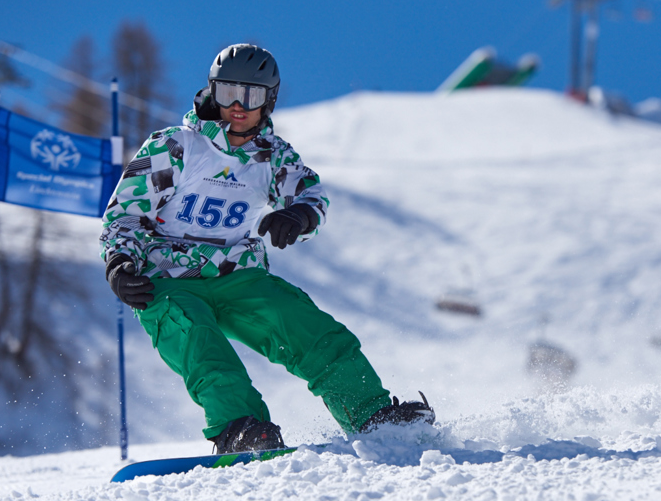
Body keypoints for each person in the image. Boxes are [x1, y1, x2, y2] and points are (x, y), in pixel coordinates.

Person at [99, 44, 434, 453]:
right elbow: (126, 213)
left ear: (269, 100)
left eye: (252, 96)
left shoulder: (272, 157)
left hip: (239, 277)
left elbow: (311, 194)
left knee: (308, 328)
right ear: (212, 92)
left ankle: (370, 415)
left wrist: (298, 216)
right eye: (228, 93)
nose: (238, 106)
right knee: (198, 340)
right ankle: (240, 429)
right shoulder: (176, 146)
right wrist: (119, 262)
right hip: (167, 280)